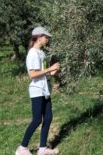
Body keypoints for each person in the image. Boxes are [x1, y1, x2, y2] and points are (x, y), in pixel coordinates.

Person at [16, 27, 60, 155]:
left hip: (45, 89)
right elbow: (33, 75)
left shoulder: (42, 53)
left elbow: (45, 74)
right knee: (37, 119)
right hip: (37, 90)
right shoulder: (33, 53)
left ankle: (42, 149)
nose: (47, 39)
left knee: (48, 117)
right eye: (46, 37)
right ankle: (22, 148)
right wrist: (49, 69)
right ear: (39, 37)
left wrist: (55, 71)